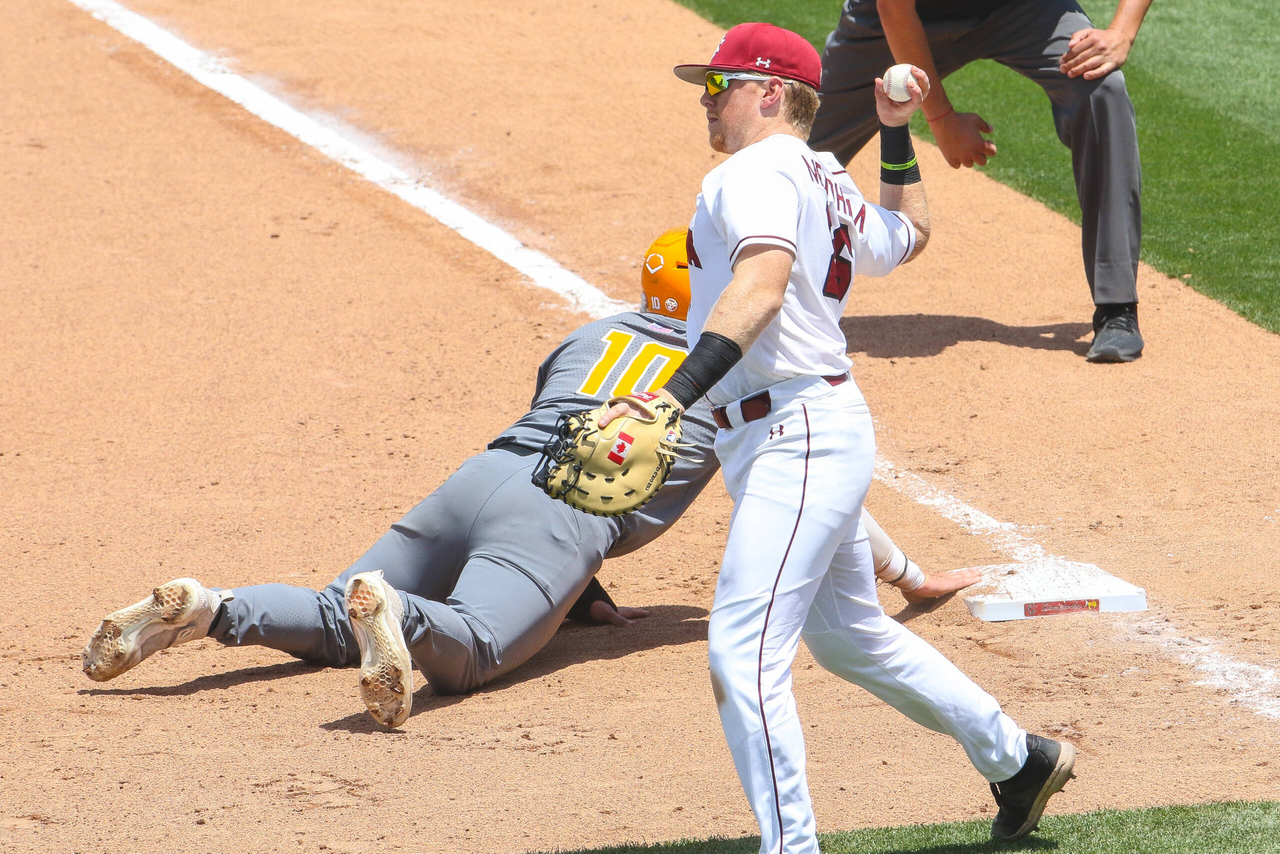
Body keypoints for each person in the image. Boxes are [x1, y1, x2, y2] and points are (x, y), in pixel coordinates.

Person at [81, 229, 971, 728]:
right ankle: (404, 616)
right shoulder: (738, 376)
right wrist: (906, 576)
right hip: (555, 524)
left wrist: (583, 593)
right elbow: (819, 500)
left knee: (330, 612)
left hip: (477, 482)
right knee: (471, 650)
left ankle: (211, 607)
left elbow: (573, 425)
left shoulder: (591, 335)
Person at [605, 22, 1074, 850]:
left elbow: (761, 286)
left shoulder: (754, 171)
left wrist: (669, 399)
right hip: (803, 428)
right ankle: (1020, 759)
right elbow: (910, 234)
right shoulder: (824, 176)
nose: (705, 102)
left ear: (770, 92)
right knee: (850, 638)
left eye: (718, 85)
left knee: (743, 653)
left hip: (794, 433)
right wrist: (894, 133)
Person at [810, 0, 1152, 363]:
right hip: (904, 15)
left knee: (1101, 89)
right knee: (800, 143)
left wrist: (1122, 32)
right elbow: (894, 7)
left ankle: (1116, 306)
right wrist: (942, 119)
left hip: (1023, 9)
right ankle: (767, 276)